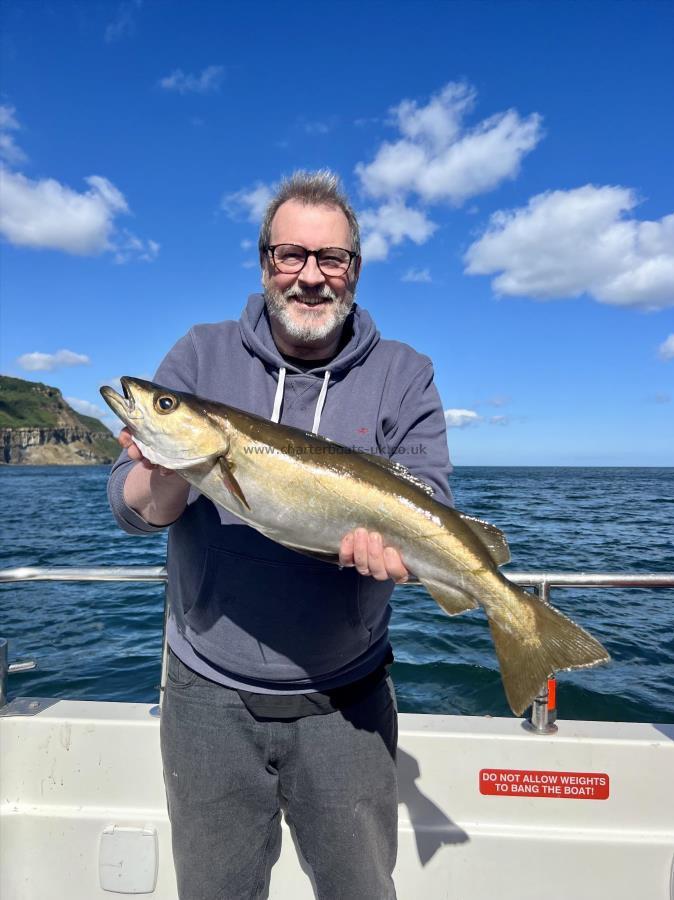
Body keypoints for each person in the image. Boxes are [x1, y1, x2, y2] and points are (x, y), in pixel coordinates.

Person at [107, 170, 453, 900]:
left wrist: (408, 561)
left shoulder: (403, 373)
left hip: (347, 698)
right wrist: (165, 462)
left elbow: (433, 503)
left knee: (360, 890)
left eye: (331, 259)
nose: (310, 277)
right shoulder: (200, 356)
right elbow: (134, 509)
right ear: (264, 261)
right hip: (206, 697)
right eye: (290, 255)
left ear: (354, 269)